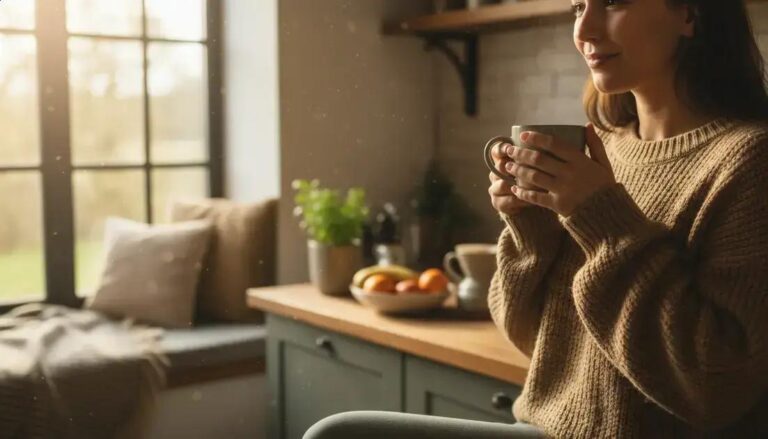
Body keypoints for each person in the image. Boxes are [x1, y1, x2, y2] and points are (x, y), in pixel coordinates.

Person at [304, 0, 768, 437]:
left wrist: (600, 218)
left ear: (690, 12)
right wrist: (530, 229)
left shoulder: (747, 161)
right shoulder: (606, 148)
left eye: (612, 2)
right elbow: (528, 336)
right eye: (576, 6)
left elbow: (715, 388)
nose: (584, 29)